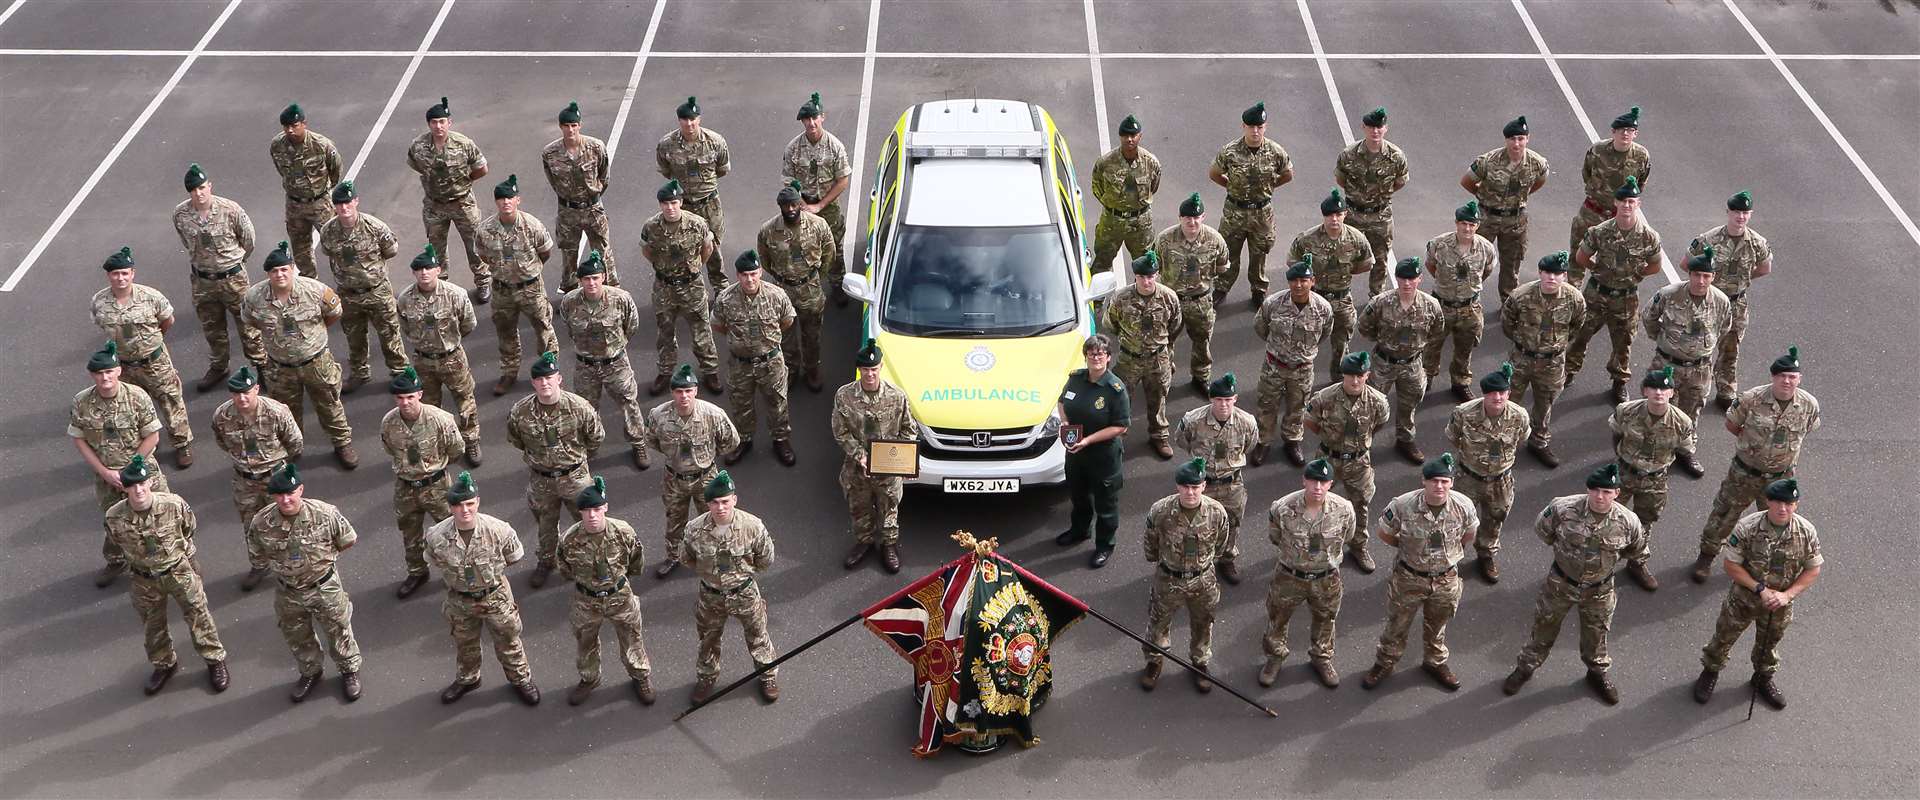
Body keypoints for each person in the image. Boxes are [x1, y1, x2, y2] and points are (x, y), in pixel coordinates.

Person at [1502, 464, 1648, 704]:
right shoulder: (1563, 508)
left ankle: (1596, 673)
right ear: (1587, 489)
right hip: (1561, 583)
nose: (1600, 496)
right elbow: (1543, 530)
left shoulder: (1628, 521)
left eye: (1606, 491)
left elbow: (1636, 549)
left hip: (1600, 589)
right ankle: (1526, 667)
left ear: (1616, 493)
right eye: (1595, 490)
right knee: (1544, 626)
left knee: (1597, 634)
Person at [103, 455, 229, 696]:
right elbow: (116, 541)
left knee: (198, 615)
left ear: (150, 482)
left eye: (142, 483)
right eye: (132, 485)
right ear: (124, 488)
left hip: (178, 570)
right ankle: (164, 664)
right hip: (143, 579)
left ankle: (214, 660)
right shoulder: (114, 517)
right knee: (152, 625)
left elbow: (188, 529)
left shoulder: (173, 505)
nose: (138, 490)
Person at [1692, 478, 1821, 711]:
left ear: (1796, 505)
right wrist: (1760, 589)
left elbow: (1813, 569)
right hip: (1745, 597)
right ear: (1768, 502)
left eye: (1789, 503)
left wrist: (1787, 595)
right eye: (1778, 502)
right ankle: (1710, 671)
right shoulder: (1748, 527)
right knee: (1724, 636)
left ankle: (1762, 678)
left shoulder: (1806, 531)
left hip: (1779, 604)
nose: (1783, 508)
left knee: (1769, 644)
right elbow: (1731, 565)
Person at [1692, 346, 1819, 582]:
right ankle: (1706, 557)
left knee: (1774, 522)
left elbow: (1807, 429)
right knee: (1725, 513)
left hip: (1780, 478)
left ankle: (1758, 563)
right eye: (1782, 376)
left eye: (1792, 377)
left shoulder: (1809, 405)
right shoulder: (1752, 399)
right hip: (1745, 472)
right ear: (1773, 377)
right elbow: (1732, 425)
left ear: (1799, 379)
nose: (1787, 381)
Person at [247, 463, 363, 703]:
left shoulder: (325, 514)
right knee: (297, 635)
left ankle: (349, 670)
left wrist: (324, 561)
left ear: (300, 489)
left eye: (290, 493)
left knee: (338, 628)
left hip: (324, 586)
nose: (285, 499)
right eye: (279, 495)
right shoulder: (262, 522)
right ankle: (311, 671)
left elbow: (348, 539)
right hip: (288, 591)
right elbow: (257, 554)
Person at [1363, 453, 1478, 691]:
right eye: (1434, 480)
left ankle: (1435, 662)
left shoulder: (1463, 505)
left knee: (1438, 625)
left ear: (1451, 482)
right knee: (1397, 624)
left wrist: (1451, 553)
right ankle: (1385, 662)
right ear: (1423, 481)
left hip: (1446, 579)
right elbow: (1384, 533)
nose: (1439, 486)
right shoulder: (1402, 505)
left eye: (1444, 481)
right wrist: (1406, 548)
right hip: (1409, 577)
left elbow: (1469, 534)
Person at [425, 472, 541, 705]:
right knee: (464, 642)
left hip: (495, 596)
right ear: (450, 506)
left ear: (477, 502)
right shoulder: (436, 536)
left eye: (469, 504)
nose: (464, 510)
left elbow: (514, 557)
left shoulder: (499, 530)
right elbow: (434, 560)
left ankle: (520, 679)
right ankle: (468, 678)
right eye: (458, 505)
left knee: (508, 640)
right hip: (460, 600)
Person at [241, 242, 358, 468]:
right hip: (280, 366)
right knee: (285, 411)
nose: (280, 274)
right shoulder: (254, 297)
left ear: (292, 269)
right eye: (274, 271)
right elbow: (251, 321)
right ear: (268, 274)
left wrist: (314, 339)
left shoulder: (315, 290)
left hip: (316, 361)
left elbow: (333, 314)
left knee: (329, 404)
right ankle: (291, 449)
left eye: (284, 269)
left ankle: (342, 443)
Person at [74, 341, 172, 588]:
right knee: (114, 520)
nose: (104, 377)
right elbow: (80, 439)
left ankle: (178, 559)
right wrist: (104, 472)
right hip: (108, 475)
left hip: (141, 471)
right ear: (92, 375)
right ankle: (116, 560)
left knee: (162, 515)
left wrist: (131, 468)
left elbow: (153, 436)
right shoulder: (82, 402)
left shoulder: (137, 397)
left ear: (118, 370)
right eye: (99, 373)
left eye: (109, 371)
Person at [505, 351, 605, 589]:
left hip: (575, 476)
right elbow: (516, 439)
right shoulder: (521, 412)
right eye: (539, 379)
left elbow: (596, 437)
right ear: (533, 383)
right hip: (542, 479)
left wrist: (577, 460)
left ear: (559, 378)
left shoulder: (579, 407)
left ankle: (593, 559)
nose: (544, 383)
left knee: (587, 520)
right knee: (545, 523)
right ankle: (547, 561)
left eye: (549, 377)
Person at [682, 470, 781, 703]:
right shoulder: (694, 529)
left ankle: (767, 674)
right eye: (715, 502)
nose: (720, 507)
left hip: (744, 592)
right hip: (711, 595)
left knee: (758, 635)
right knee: (708, 638)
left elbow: (765, 559)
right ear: (707, 503)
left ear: (734, 500)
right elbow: (687, 558)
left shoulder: (752, 526)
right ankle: (707, 677)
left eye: (725, 501)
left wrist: (742, 577)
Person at [556, 476, 655, 706]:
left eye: (597, 509)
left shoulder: (623, 532)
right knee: (585, 643)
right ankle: (590, 678)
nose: (592, 515)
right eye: (587, 510)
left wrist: (618, 582)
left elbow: (636, 562)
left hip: (619, 596)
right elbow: (565, 569)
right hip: (586, 600)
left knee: (632, 638)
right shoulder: (569, 539)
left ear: (605, 508)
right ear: (579, 512)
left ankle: (640, 675)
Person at [1565, 176, 1664, 405]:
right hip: (1597, 292)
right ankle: (1569, 370)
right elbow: (1581, 257)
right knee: (1580, 333)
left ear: (1638, 204)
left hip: (1626, 297)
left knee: (1623, 341)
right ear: (1616, 203)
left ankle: (1619, 381)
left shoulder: (1649, 236)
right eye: (1623, 201)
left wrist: (1636, 275)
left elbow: (1656, 265)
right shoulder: (1600, 231)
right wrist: (1597, 269)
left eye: (1632, 201)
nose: (1627, 205)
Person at [91, 246, 192, 467]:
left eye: (125, 273)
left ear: (132, 274)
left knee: (170, 401)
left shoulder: (150, 296)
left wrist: (152, 343)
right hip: (123, 366)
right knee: (131, 406)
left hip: (154, 361)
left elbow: (168, 321)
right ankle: (146, 443)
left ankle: (182, 443)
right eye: (115, 274)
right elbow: (100, 325)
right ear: (109, 275)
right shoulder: (99, 301)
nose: (120, 278)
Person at [1259, 458, 1354, 689]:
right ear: (1304, 480)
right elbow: (1275, 536)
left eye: (1323, 482)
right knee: (1278, 617)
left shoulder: (1344, 509)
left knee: (1326, 619)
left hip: (1326, 577)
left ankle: (1322, 657)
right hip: (1290, 575)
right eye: (1313, 481)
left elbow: (1348, 536)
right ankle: (1275, 657)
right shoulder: (1282, 507)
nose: (1317, 487)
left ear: (1331, 483)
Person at [1139, 458, 1231, 693]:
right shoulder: (1160, 511)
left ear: (1203, 486)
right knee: (1158, 622)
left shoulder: (1217, 512)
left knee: (1203, 623)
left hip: (1203, 578)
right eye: (1185, 486)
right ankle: (1154, 661)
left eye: (1195, 486)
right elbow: (1151, 545)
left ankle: (1200, 663)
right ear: (1178, 486)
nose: (1190, 492)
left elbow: (1221, 546)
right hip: (1169, 578)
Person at [172, 161, 266, 391]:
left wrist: (235, 262)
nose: (199, 193)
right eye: (194, 190)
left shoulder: (230, 210)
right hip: (202, 281)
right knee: (212, 327)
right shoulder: (181, 214)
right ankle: (219, 366)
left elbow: (249, 240)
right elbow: (187, 243)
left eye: (202, 187)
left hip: (233, 279)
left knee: (248, 325)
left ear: (210, 186)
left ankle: (262, 367)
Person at [209, 366, 301, 591]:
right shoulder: (223, 415)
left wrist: (281, 469)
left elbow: (295, 442)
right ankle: (259, 565)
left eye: (246, 392)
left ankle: (292, 564)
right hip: (244, 480)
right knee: (251, 524)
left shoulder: (276, 412)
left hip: (275, 477)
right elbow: (223, 442)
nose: (242, 398)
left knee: (286, 522)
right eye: (236, 393)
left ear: (256, 389)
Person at [646, 364, 740, 579]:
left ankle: (718, 557)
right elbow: (651, 439)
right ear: (672, 392)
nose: (684, 396)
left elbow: (731, 441)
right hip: (674, 478)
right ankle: (674, 556)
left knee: (715, 518)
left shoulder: (713, 414)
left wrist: (709, 457)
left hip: (706, 477)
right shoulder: (659, 415)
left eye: (688, 391)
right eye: (679, 391)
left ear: (696, 391)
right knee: (674, 519)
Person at [1642, 247, 1732, 472]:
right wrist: (1663, 341)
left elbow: (1724, 328)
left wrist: (1701, 349)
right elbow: (1649, 317)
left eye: (1706, 276)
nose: (1701, 281)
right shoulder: (1669, 294)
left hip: (1699, 369)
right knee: (1659, 409)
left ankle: (1686, 451)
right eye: (1697, 275)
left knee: (1692, 411)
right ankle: (1654, 451)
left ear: (1713, 277)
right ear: (1690, 275)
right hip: (1667, 364)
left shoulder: (1720, 301)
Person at [315, 179, 409, 394]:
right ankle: (359, 373)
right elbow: (328, 253)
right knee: (354, 336)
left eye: (348, 203)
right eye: (339, 204)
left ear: (356, 201)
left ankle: (399, 373)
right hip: (348, 294)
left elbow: (391, 250)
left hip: (376, 291)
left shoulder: (374, 227)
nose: (344, 208)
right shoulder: (329, 231)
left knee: (389, 334)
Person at [559, 251, 650, 470]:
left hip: (615, 363)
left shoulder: (620, 298)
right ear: (580, 281)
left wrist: (616, 347)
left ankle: (638, 442)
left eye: (595, 278)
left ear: (603, 277)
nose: (591, 283)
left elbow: (632, 325)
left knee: (629, 403)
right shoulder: (570, 301)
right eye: (587, 279)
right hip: (585, 365)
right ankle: (590, 444)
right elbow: (569, 327)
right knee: (586, 408)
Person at [380, 366, 464, 599]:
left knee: (450, 530)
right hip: (405, 485)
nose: (405, 402)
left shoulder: (439, 419)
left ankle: (457, 573)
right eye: (400, 398)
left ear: (419, 394)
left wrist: (435, 467)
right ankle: (417, 571)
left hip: (436, 485)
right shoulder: (389, 422)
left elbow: (456, 450)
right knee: (410, 531)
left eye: (409, 397)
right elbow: (389, 448)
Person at [832, 339, 916, 573]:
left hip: (887, 468)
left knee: (889, 508)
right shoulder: (844, 396)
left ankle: (888, 545)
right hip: (857, 469)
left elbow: (909, 430)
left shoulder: (896, 397)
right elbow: (840, 431)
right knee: (859, 508)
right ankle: (864, 542)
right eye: (866, 369)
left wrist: (903, 460)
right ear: (859, 369)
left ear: (880, 368)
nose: (870, 374)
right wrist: (860, 455)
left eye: (874, 369)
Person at [1609, 366, 1695, 592]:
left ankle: (1636, 562)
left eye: (1664, 388)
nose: (1659, 392)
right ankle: (1603, 560)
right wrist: (1622, 460)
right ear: (1645, 390)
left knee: (1644, 521)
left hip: (1655, 478)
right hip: (1625, 472)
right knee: (1609, 516)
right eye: (1654, 388)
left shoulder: (1682, 422)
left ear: (1672, 393)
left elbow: (1684, 450)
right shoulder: (1626, 411)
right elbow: (1617, 434)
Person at [1444, 363, 1531, 584]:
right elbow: (1453, 437)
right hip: (1468, 478)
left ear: (1508, 393)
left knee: (1494, 520)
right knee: (1458, 520)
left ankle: (1486, 554)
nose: (1498, 397)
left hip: (1500, 481)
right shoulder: (1464, 413)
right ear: (1484, 394)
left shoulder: (1519, 416)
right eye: (1492, 393)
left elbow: (1522, 439)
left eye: (1502, 392)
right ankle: (1451, 558)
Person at [394, 244, 481, 464]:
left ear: (438, 270)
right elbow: (405, 326)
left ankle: (471, 441)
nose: (424, 273)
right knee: (430, 406)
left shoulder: (455, 294)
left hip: (452, 358)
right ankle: (438, 443)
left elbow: (468, 324)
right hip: (423, 360)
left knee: (465, 402)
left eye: (428, 268)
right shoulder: (405, 298)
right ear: (414, 272)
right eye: (419, 269)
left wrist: (450, 343)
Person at [1304, 352, 1390, 573]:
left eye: (1360, 376)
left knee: (1360, 504)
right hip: (1327, 459)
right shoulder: (1324, 397)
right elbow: (1311, 422)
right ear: (1343, 375)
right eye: (1350, 375)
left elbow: (1379, 424)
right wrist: (1330, 440)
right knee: (1316, 503)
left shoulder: (1377, 401)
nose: (1355, 381)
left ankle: (1359, 546)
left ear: (1367, 375)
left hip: (1358, 461)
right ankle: (1314, 546)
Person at [477, 172, 560, 396]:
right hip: (503, 290)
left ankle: (547, 371)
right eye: (501, 199)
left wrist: (527, 272)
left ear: (517, 200)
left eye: (510, 198)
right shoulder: (485, 230)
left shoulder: (532, 225)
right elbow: (484, 256)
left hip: (530, 288)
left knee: (543, 329)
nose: (506, 202)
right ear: (496, 202)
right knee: (505, 332)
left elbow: (545, 252)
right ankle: (509, 372)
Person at [1501, 251, 1586, 468]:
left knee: (1545, 402)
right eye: (1547, 272)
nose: (1552, 277)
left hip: (1552, 362)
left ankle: (1538, 441)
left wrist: (1554, 347)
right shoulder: (1521, 296)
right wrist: (1525, 344)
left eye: (1557, 273)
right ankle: (1504, 442)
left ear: (1564, 276)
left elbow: (1576, 326)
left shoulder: (1574, 299)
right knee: (1509, 402)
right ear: (1540, 272)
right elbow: (1508, 324)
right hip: (1521, 358)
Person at [713, 251, 797, 466]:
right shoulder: (725, 298)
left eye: (753, 273)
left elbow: (787, 321)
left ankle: (781, 440)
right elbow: (718, 325)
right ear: (738, 275)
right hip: (740, 364)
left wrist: (766, 343)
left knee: (777, 402)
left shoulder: (777, 295)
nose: (749, 279)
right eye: (744, 275)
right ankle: (744, 439)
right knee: (741, 403)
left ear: (760, 271)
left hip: (770, 361)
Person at [1173, 373, 1259, 584]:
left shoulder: (1246, 422)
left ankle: (1226, 558)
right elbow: (1182, 441)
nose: (1223, 405)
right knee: (1194, 525)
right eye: (1219, 399)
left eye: (1228, 400)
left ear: (1235, 399)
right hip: (1203, 484)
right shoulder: (1193, 420)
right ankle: (1195, 562)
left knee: (1232, 523)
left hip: (1232, 484)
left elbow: (1250, 445)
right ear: (1211, 399)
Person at [1055, 335, 1131, 568]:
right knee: (1078, 496)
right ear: (1086, 356)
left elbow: (1121, 426)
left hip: (1103, 455)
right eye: (1092, 353)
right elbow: (1061, 402)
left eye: (1101, 354)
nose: (1096, 357)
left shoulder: (1115, 389)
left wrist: (1087, 440)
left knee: (1105, 503)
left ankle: (1105, 545)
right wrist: (1065, 423)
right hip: (1076, 453)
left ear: (1108, 358)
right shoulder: (1076, 379)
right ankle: (1079, 531)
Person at [1357, 257, 1444, 463]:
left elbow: (1437, 331)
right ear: (1396, 278)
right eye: (1403, 278)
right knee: (1371, 405)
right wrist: (1384, 343)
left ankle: (1405, 439)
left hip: (1412, 364)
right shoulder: (1380, 302)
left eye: (1412, 279)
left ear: (1420, 279)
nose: (1407, 283)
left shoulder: (1431, 306)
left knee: (1409, 404)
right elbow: (1364, 327)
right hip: (1383, 363)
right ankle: (1362, 444)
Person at [1691, 191, 1773, 409]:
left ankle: (1726, 388)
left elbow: (1765, 268)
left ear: (1750, 214)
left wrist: (1743, 280)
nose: (1741, 217)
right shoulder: (1709, 240)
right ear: (1728, 212)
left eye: (1745, 212)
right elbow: (1687, 264)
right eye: (1737, 212)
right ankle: (1696, 387)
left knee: (1731, 348)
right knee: (1702, 345)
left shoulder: (1757, 242)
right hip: (1711, 302)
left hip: (1737, 303)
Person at [641, 179, 722, 394]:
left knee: (701, 329)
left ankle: (710, 371)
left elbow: (707, 248)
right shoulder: (651, 226)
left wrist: (696, 268)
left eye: (674, 203)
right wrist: (662, 268)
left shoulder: (697, 224)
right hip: (664, 287)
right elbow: (647, 251)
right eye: (665, 203)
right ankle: (666, 371)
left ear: (681, 202)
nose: (670, 207)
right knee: (665, 332)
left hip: (691, 286)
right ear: (660, 205)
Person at [406, 96, 490, 302]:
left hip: (462, 203)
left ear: (449, 123)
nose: (438, 126)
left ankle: (483, 281)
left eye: (442, 121)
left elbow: (481, 168)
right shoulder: (418, 146)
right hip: (435, 206)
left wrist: (466, 181)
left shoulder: (463, 144)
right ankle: (440, 284)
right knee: (436, 249)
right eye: (434, 122)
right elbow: (416, 165)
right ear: (429, 124)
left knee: (474, 245)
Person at [1209, 102, 1293, 307]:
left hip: (1262, 213)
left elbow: (1288, 174)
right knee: (1229, 252)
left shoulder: (1275, 151)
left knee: (1259, 254)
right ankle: (1222, 287)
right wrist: (1231, 187)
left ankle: (1258, 289)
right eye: (1251, 126)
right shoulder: (1230, 151)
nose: (1255, 131)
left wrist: (1270, 187)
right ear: (1243, 126)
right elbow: (1214, 173)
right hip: (1234, 211)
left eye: (1260, 127)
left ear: (1265, 127)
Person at [1285, 188, 1375, 382]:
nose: (1334, 219)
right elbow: (1293, 262)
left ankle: (1337, 378)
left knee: (1341, 343)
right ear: (1323, 216)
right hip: (1313, 298)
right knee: (1301, 340)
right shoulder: (1307, 239)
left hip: (1341, 298)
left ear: (1345, 215)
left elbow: (1366, 263)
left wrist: (1344, 275)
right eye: (1329, 215)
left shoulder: (1356, 239)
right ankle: (1294, 379)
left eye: (1338, 214)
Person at [1251, 257, 1332, 467]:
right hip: (1274, 366)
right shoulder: (1273, 303)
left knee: (1298, 406)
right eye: (1294, 281)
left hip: (1302, 370)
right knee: (1267, 404)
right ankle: (1263, 441)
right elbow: (1261, 327)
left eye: (1303, 280)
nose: (1298, 285)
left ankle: (1292, 440)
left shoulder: (1323, 309)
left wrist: (1303, 354)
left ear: (1312, 281)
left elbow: (1324, 333)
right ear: (1288, 282)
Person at [756, 180, 836, 391]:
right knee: (785, 335)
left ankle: (812, 368)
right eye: (786, 206)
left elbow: (829, 252)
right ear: (780, 206)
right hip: (783, 291)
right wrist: (780, 277)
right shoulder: (768, 230)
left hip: (809, 289)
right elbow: (764, 259)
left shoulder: (818, 225)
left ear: (799, 204)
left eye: (794, 205)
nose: (791, 209)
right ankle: (791, 369)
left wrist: (818, 276)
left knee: (812, 334)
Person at [1101, 252, 1182, 458]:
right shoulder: (1121, 298)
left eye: (1151, 276)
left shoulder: (1168, 297)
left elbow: (1175, 325)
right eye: (1142, 277)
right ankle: (1117, 437)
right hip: (1129, 359)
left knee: (1158, 399)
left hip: (1158, 359)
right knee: (1120, 399)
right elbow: (1111, 324)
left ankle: (1159, 436)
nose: (1147, 281)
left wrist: (1162, 347)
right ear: (1135, 276)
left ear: (1156, 275)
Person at [1462, 116, 1549, 302]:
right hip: (1487, 217)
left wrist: (1521, 198)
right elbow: (1467, 181)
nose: (1516, 143)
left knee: (1511, 265)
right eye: (1512, 139)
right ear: (1506, 140)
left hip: (1516, 220)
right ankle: (1468, 299)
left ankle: (1508, 303)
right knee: (1477, 260)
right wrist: (1483, 197)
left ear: (1527, 138)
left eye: (1520, 138)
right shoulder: (1488, 161)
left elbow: (1541, 180)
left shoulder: (1537, 162)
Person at [1422, 201, 1498, 400]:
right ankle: (1426, 377)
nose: (1467, 228)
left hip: (1469, 307)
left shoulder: (1486, 248)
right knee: (1432, 344)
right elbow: (1431, 266)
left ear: (1477, 226)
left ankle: (1460, 382)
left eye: (1472, 224)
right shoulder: (1439, 244)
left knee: (1465, 347)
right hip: (1441, 305)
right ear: (1456, 223)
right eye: (1463, 223)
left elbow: (1486, 271)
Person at [1154, 193, 1229, 393]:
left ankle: (1201, 377)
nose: (1192, 222)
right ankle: (1165, 376)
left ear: (1202, 217)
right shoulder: (1165, 240)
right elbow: (1155, 268)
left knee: (1202, 341)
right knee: (1164, 340)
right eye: (1187, 218)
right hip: (1171, 301)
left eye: (1196, 217)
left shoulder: (1214, 240)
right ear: (1180, 218)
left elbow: (1222, 267)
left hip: (1201, 301)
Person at [782, 92, 853, 304]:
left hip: (828, 207)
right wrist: (803, 205)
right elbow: (788, 179)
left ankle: (837, 285)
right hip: (801, 206)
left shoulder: (834, 146)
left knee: (834, 249)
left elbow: (842, 180)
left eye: (815, 118)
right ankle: (802, 289)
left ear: (823, 117)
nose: (811, 123)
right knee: (800, 247)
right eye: (807, 119)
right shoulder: (793, 148)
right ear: (803, 121)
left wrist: (820, 205)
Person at [543, 101, 619, 291]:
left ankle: (611, 290)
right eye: (566, 126)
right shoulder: (550, 153)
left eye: (574, 125)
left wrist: (592, 197)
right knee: (569, 253)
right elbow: (553, 180)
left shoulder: (595, 147)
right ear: (560, 126)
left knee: (602, 251)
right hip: (568, 211)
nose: (570, 130)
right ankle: (570, 291)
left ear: (580, 125)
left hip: (593, 209)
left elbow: (604, 176)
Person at [657, 96, 731, 290]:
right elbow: (666, 171)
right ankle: (687, 286)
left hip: (709, 203)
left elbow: (722, 169)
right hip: (683, 204)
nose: (689, 124)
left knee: (713, 244)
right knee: (683, 246)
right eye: (684, 120)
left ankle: (720, 285)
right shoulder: (667, 144)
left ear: (699, 119)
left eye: (693, 119)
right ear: (679, 120)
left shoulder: (715, 141)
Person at [1335, 107, 1410, 296]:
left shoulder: (1396, 156)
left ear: (1385, 128)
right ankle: (1342, 296)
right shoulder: (1349, 154)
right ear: (1363, 127)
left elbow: (1400, 181)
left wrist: (1379, 197)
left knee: (1381, 260)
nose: (1375, 131)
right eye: (1371, 127)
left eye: (1379, 127)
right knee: (1344, 257)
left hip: (1380, 215)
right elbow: (1341, 179)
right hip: (1353, 214)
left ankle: (1376, 298)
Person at [1568, 106, 1652, 263]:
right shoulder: (1597, 150)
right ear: (1613, 132)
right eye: (1621, 130)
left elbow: (1641, 183)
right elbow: (1587, 173)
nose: (1625, 133)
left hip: (1619, 217)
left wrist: (1624, 204)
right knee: (1577, 255)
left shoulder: (1641, 156)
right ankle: (1573, 286)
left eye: (1629, 130)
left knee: (1613, 261)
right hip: (1592, 211)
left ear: (1635, 133)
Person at [269, 103, 343, 280]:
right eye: (286, 126)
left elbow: (336, 170)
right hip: (294, 204)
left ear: (304, 124)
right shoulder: (277, 145)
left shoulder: (321, 145)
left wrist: (323, 191)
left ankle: (343, 279)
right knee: (300, 246)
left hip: (320, 203)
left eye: (294, 126)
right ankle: (309, 281)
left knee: (335, 243)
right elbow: (281, 171)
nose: (290, 130)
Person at [1091, 114, 1163, 275]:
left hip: (1141, 223)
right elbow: (1097, 187)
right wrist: (1113, 206)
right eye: (1125, 135)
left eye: (1133, 135)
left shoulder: (1151, 162)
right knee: (1102, 262)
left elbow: (1154, 186)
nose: (1129, 139)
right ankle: (1097, 299)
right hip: (1112, 221)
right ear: (1120, 136)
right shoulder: (1105, 162)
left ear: (1140, 136)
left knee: (1146, 263)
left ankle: (1145, 297)